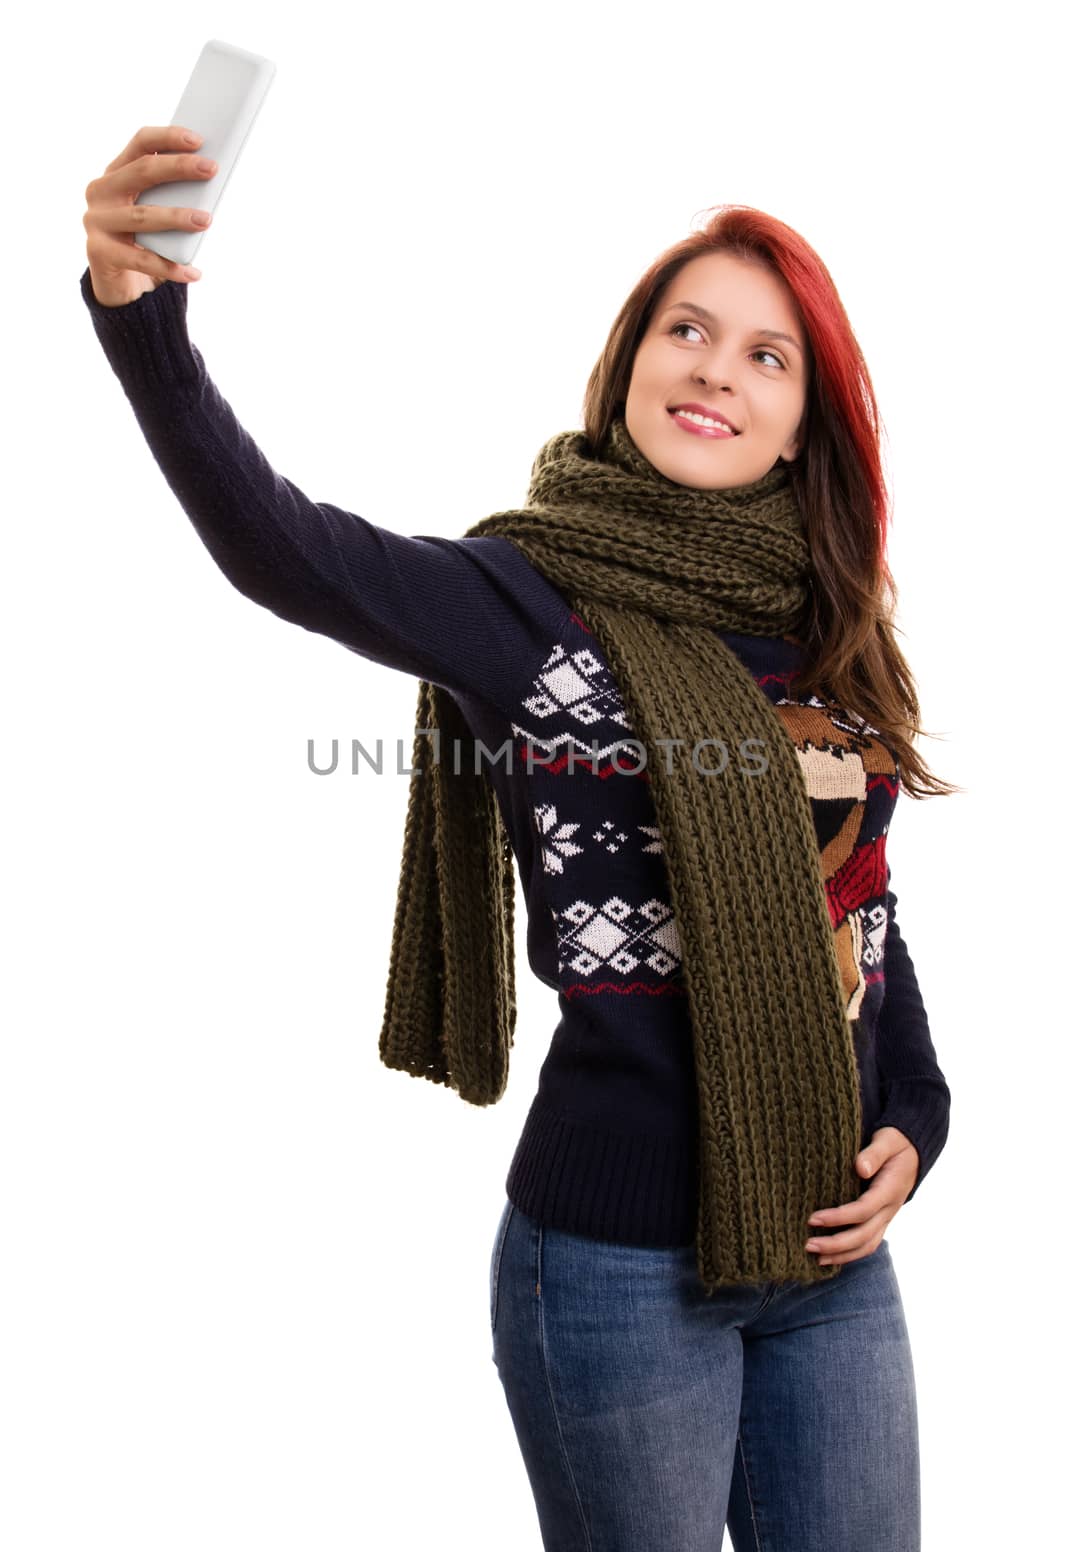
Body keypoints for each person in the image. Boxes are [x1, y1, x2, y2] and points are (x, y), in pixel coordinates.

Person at [81, 124, 953, 1552]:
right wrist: (143, 321)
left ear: (805, 424)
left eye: (764, 354)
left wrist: (916, 1115)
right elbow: (281, 547)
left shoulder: (821, 635)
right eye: (688, 330)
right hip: (618, 1268)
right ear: (629, 367)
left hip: (835, 1268)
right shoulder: (532, 610)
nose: (716, 370)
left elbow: (861, 914)